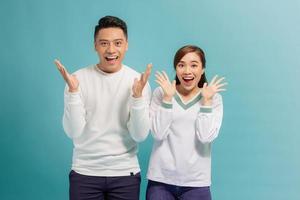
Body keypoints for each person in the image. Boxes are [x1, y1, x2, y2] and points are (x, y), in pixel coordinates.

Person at [54, 16, 152, 200]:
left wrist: (137, 97)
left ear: (126, 45)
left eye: (117, 43)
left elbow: (140, 135)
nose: (111, 50)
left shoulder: (138, 82)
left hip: (125, 173)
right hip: (85, 172)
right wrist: (74, 92)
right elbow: (73, 131)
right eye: (104, 43)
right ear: (95, 46)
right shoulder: (76, 79)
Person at [146, 45, 226, 200]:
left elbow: (205, 137)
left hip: (196, 183)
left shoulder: (213, 98)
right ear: (175, 68)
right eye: (181, 65)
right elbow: (158, 133)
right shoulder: (161, 92)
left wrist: (207, 102)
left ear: (202, 69)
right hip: (160, 180)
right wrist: (168, 99)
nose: (187, 71)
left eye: (194, 65)